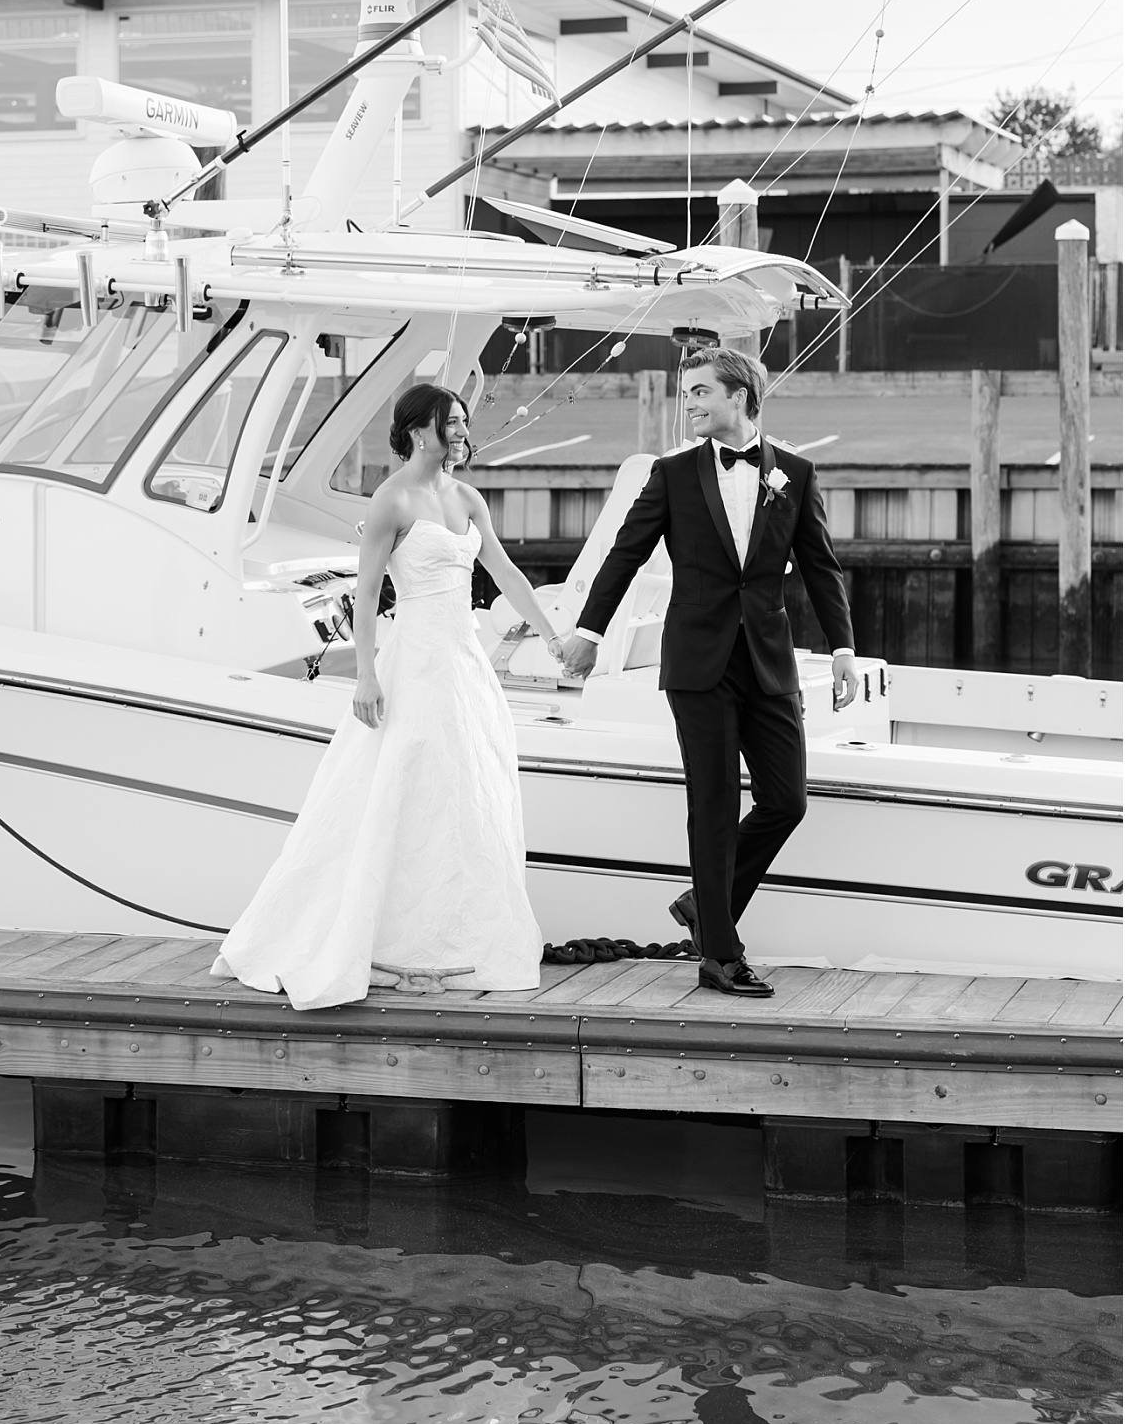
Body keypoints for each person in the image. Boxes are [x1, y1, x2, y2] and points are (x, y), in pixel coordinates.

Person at [212, 383, 558, 1011]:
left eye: (463, 421)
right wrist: (366, 676)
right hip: (414, 662)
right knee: (402, 787)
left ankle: (452, 939)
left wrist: (553, 635)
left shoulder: (468, 497)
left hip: (464, 664)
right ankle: (381, 941)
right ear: (419, 430)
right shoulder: (391, 500)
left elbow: (505, 572)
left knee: (464, 792)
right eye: (451, 422)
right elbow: (368, 593)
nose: (461, 431)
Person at [557, 347, 859, 999]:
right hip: (698, 664)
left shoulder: (795, 474)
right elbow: (624, 554)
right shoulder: (672, 475)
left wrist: (843, 648)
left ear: (739, 396)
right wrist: (589, 632)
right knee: (715, 804)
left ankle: (704, 904)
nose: (688, 402)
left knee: (786, 800)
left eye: (700, 391)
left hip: (768, 661)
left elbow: (821, 565)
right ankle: (720, 955)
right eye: (686, 391)